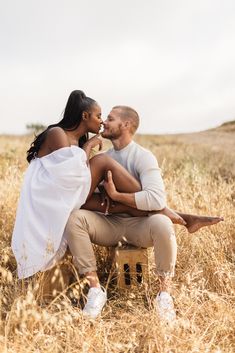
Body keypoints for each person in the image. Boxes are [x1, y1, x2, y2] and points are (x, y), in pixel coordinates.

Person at [65, 105, 223, 321]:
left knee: (162, 223)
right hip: (109, 223)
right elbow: (86, 195)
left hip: (141, 225)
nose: (104, 123)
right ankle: (95, 290)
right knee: (75, 219)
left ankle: (164, 295)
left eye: (110, 119)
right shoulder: (105, 157)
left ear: (126, 125)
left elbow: (156, 199)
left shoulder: (143, 156)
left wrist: (118, 196)